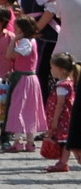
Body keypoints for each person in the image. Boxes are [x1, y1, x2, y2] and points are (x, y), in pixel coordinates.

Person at [5, 15, 47, 151]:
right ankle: (30, 141)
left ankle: (18, 140)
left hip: (24, 79)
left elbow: (10, 55)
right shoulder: (32, 41)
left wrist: (13, 40)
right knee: (30, 109)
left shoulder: (25, 42)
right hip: (30, 78)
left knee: (18, 108)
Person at [46, 52, 79, 172]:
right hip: (67, 117)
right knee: (66, 140)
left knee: (65, 141)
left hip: (63, 118)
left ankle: (63, 162)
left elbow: (60, 104)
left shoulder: (62, 86)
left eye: (52, 67)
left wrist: (55, 120)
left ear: (59, 69)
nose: (51, 70)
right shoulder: (69, 83)